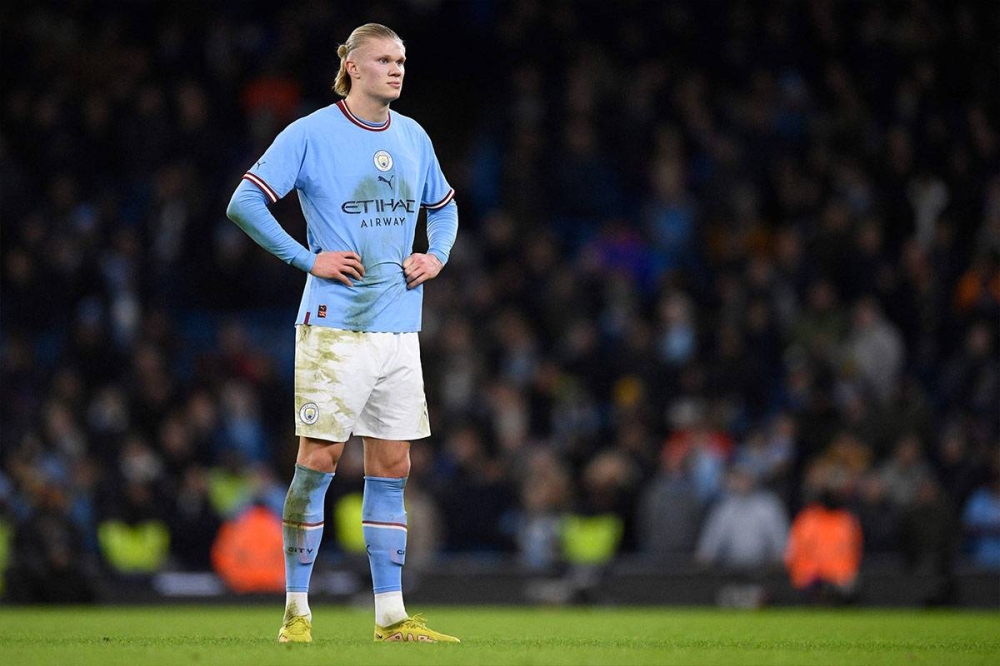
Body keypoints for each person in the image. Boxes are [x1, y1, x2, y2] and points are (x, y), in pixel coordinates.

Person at [226, 23, 459, 644]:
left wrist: (435, 256)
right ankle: (296, 611)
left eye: (401, 60)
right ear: (352, 67)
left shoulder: (413, 137)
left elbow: (444, 207)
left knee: (393, 465)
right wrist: (307, 259)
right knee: (320, 460)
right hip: (335, 327)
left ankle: (390, 616)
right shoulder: (310, 133)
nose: (397, 69)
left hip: (399, 328)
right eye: (384, 59)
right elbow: (244, 203)